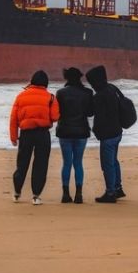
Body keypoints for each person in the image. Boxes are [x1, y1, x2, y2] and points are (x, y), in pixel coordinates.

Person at [9, 70, 60, 205]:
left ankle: (16, 192)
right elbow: (55, 117)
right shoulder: (51, 97)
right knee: (40, 164)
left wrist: (14, 137)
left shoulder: (21, 96)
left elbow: (13, 119)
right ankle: (36, 196)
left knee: (22, 163)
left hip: (26, 134)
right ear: (46, 83)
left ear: (32, 81)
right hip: (43, 134)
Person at [85, 65, 126, 203]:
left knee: (107, 164)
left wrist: (96, 131)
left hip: (108, 135)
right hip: (117, 132)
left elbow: (92, 113)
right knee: (114, 161)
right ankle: (118, 188)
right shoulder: (112, 88)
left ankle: (110, 193)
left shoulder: (100, 95)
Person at [56, 67, 94, 204]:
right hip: (81, 132)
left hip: (64, 132)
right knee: (78, 163)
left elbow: (57, 113)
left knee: (66, 163)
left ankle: (65, 195)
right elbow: (90, 113)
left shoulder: (60, 93)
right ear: (79, 77)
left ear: (67, 78)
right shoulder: (88, 93)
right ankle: (79, 195)